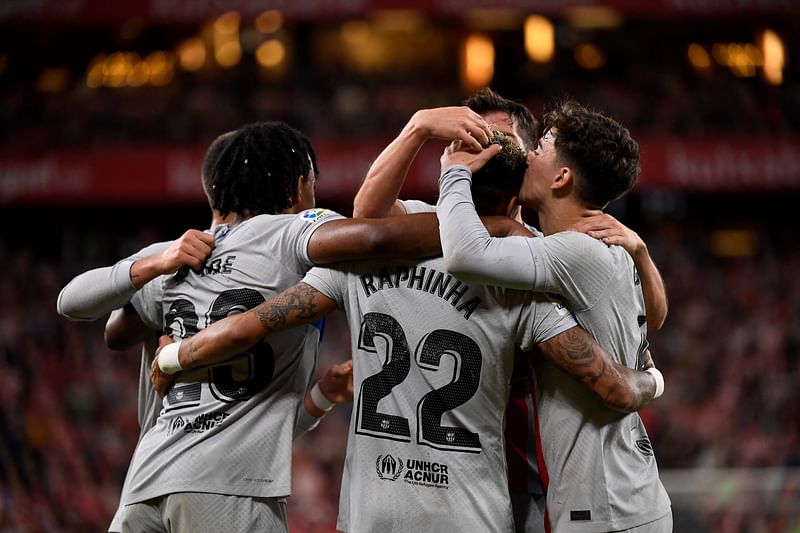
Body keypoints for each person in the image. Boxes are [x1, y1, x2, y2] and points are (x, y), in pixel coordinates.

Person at [149, 132, 661, 532]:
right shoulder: (523, 286)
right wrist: (653, 378)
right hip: (471, 517)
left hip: (369, 514)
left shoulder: (358, 264)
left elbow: (252, 325)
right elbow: (612, 385)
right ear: (512, 203)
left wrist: (176, 357)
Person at [57, 120, 445, 532]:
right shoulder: (291, 232)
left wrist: (156, 265)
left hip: (145, 486)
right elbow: (373, 238)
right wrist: (481, 232)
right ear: (297, 187)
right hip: (228, 490)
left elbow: (105, 327)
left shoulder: (178, 254)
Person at [351, 88, 669, 532]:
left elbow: (468, 255)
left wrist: (640, 252)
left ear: (532, 160)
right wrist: (418, 126)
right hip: (471, 489)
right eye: (471, 135)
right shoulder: (435, 229)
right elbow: (366, 216)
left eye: (502, 140)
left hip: (559, 487)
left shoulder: (551, 252)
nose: (484, 147)